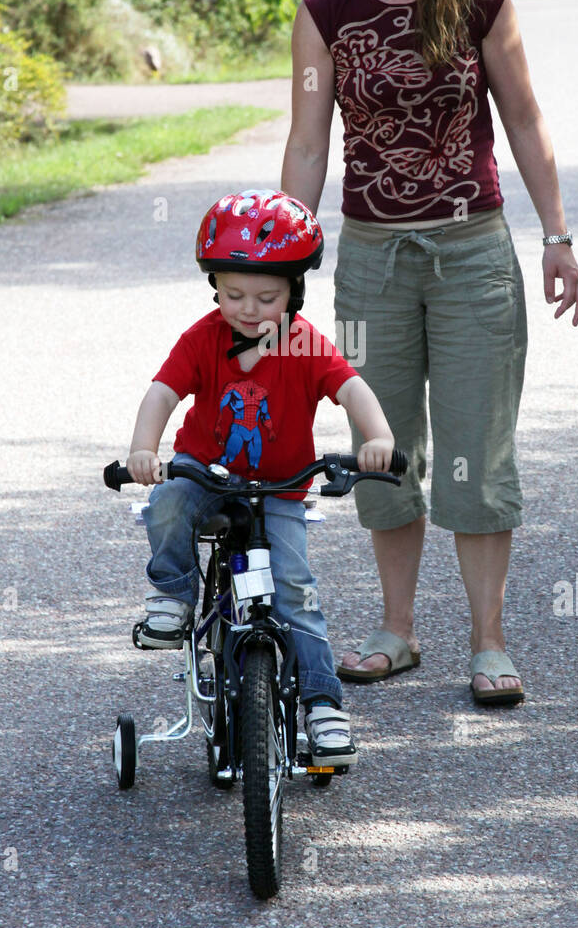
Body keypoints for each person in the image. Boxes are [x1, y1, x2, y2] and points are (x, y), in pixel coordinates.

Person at [280, 0, 578, 705]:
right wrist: (282, 257)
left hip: (471, 253)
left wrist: (557, 236)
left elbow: (525, 122)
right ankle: (397, 629)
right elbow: (309, 142)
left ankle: (489, 642)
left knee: (477, 448)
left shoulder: (482, 1)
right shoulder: (325, 12)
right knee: (385, 449)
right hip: (373, 262)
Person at [124, 189, 395, 764]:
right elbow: (162, 392)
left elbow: (351, 389)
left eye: (266, 296)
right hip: (207, 475)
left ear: (295, 291)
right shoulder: (204, 338)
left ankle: (323, 706)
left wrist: (377, 440)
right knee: (168, 501)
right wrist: (143, 449)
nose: (247, 308)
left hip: (279, 487)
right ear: (214, 288)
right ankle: (173, 597)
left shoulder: (303, 344)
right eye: (232, 293)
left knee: (295, 593)